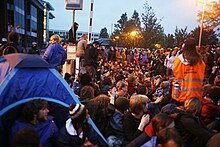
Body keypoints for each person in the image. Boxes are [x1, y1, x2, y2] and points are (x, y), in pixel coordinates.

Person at [172, 37, 206, 105]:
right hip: (196, 96)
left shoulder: (179, 61)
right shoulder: (200, 62)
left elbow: (177, 76)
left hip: (181, 95)